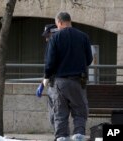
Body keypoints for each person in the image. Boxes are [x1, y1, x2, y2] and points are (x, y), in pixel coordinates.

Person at [42, 12, 93, 141]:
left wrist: (47, 77)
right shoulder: (83, 37)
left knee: (60, 112)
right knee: (80, 111)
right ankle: (79, 135)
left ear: (59, 22)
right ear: (69, 21)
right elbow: (89, 59)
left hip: (59, 82)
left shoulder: (55, 38)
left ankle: (61, 137)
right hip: (78, 81)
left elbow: (50, 62)